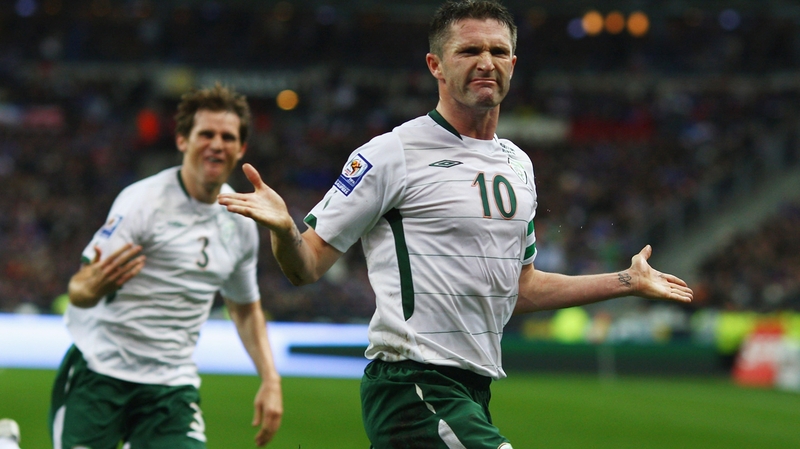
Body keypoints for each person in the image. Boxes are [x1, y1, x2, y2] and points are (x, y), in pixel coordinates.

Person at [219, 1, 693, 447]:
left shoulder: (518, 164)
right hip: (413, 384)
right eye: (469, 50)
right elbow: (306, 267)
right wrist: (283, 229)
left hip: (473, 390)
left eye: (498, 51)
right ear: (436, 66)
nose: (486, 61)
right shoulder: (391, 154)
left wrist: (625, 281)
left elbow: (519, 289)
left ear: (513, 62)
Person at [49, 84, 283, 448]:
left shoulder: (240, 223)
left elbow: (244, 306)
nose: (216, 143)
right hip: (99, 373)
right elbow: (79, 288)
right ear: (182, 141)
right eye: (206, 133)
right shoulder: (142, 203)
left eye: (227, 136)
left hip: (169, 389)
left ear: (241, 148)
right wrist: (89, 290)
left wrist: (271, 379)